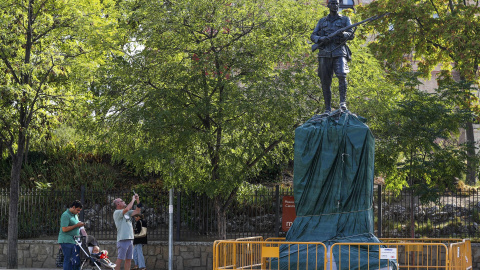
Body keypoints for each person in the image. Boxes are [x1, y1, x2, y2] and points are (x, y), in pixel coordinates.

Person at [311, 0, 355, 115]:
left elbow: (351, 34)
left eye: (336, 3)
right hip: (324, 52)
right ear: (328, 5)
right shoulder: (322, 21)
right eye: (332, 3)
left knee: (341, 74)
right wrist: (320, 39)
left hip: (339, 51)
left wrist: (342, 34)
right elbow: (313, 35)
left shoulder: (345, 19)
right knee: (325, 81)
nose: (335, 5)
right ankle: (327, 108)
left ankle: (342, 103)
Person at [113, 194, 142, 270]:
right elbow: (127, 209)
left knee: (128, 259)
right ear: (118, 204)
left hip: (130, 239)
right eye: (122, 201)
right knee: (120, 259)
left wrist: (137, 200)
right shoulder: (117, 212)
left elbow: (137, 211)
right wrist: (133, 199)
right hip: (123, 239)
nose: (124, 201)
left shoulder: (127, 213)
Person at [58, 200, 84, 270]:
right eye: (78, 210)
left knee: (76, 260)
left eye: (80, 210)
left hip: (74, 241)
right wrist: (77, 225)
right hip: (67, 241)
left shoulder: (75, 215)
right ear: (73, 207)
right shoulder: (65, 215)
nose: (79, 212)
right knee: (68, 260)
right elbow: (64, 229)